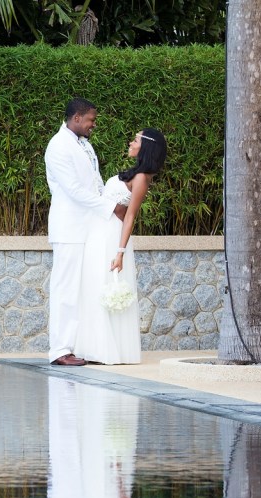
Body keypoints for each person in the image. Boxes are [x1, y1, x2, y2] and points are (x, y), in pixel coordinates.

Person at [74, 128, 168, 365]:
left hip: (111, 236)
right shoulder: (132, 173)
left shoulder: (141, 179)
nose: (131, 142)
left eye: (135, 139)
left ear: (144, 147)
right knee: (92, 286)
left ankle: (108, 349)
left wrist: (120, 253)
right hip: (97, 231)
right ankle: (91, 347)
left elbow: (130, 217)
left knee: (104, 285)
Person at [45, 98, 127, 367]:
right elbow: (74, 190)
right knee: (65, 290)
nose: (94, 124)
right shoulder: (58, 147)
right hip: (69, 227)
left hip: (89, 227)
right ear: (77, 118)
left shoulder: (83, 144)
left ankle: (75, 345)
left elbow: (93, 183)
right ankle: (59, 350)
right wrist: (111, 206)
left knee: (80, 291)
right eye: (91, 120)